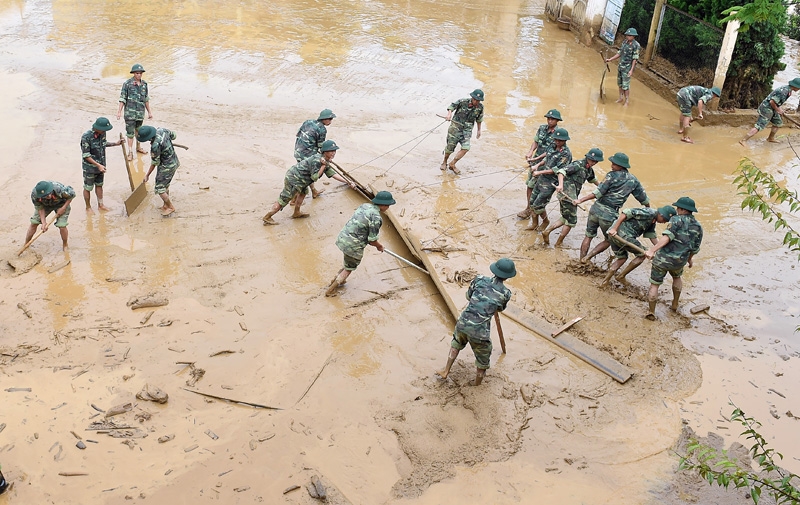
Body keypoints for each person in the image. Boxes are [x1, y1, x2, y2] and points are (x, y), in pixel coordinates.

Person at [435, 258, 516, 386]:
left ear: (494, 270)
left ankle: (446, 371)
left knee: (456, 343)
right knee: (483, 357)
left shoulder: (479, 279)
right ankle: (477, 385)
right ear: (507, 277)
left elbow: (468, 296)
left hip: (463, 322)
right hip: (480, 332)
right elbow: (500, 308)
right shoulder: (505, 293)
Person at [574, 152, 650, 262]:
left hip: (595, 209)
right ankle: (587, 258)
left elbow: (598, 193)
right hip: (609, 214)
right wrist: (649, 210)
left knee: (588, 235)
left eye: (614, 164)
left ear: (620, 166)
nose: (611, 166)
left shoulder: (611, 175)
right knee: (609, 240)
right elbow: (643, 199)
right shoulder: (634, 180)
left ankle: (582, 259)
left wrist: (580, 200)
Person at [262, 140, 354, 225]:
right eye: (331, 151)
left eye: (334, 151)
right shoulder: (318, 161)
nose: (333, 153)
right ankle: (268, 216)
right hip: (294, 179)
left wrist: (348, 181)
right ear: (325, 152)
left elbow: (332, 174)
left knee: (303, 192)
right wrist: (322, 166)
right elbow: (315, 177)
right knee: (284, 199)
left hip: (302, 180)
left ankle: (296, 212)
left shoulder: (324, 160)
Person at [325, 191, 396, 296]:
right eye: (388, 205)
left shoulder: (365, 205)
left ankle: (336, 280)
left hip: (343, 238)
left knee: (348, 263)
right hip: (353, 246)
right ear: (383, 205)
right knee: (349, 268)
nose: (388, 208)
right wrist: (379, 246)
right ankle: (330, 290)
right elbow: (372, 240)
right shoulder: (376, 218)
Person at [644, 197, 703, 320]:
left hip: (663, 259)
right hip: (679, 261)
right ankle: (675, 304)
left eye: (678, 208)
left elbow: (667, 237)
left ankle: (651, 311)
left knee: (655, 285)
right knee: (677, 277)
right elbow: (695, 247)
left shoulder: (675, 220)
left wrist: (652, 250)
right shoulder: (698, 226)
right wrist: (689, 259)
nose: (676, 210)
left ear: (682, 209)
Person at [601, 205, 676, 287]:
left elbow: (651, 235)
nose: (664, 222)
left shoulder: (653, 220)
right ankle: (621, 276)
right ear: (661, 215)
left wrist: (660, 248)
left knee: (622, 258)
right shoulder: (649, 213)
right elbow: (626, 212)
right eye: (664, 219)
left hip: (615, 236)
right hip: (622, 235)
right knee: (642, 255)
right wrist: (614, 229)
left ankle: (604, 282)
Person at [541, 147, 602, 247]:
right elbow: (561, 172)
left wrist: (602, 188)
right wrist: (560, 185)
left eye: (596, 161)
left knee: (566, 217)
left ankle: (547, 231)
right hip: (567, 195)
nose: (593, 162)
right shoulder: (578, 164)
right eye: (592, 160)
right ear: (587, 157)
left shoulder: (589, 169)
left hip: (570, 197)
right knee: (571, 221)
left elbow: (592, 179)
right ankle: (558, 243)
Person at [526, 127, 572, 232]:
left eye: (559, 140)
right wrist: (536, 164)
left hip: (551, 182)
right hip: (541, 178)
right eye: (556, 139)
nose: (557, 142)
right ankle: (534, 224)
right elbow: (547, 158)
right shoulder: (552, 145)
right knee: (532, 202)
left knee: (539, 204)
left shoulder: (566, 154)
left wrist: (539, 172)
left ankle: (546, 221)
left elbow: (556, 170)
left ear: (565, 141)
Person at [519, 109, 563, 219]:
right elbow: (536, 141)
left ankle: (536, 213)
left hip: (546, 164)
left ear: (557, 121)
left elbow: (549, 152)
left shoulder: (559, 134)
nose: (549, 121)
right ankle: (528, 208)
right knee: (529, 185)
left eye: (552, 119)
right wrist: (530, 152)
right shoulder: (542, 128)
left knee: (539, 189)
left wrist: (536, 160)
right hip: (536, 161)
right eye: (548, 118)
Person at [740, 78, 800, 145]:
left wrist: (779, 109)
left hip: (773, 108)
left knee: (778, 123)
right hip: (766, 108)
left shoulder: (788, 90)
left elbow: (777, 102)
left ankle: (770, 138)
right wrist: (778, 110)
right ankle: (743, 140)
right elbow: (772, 101)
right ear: (796, 86)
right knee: (759, 126)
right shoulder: (784, 91)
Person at [137, 125, 180, 216]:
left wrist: (147, 175)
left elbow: (155, 162)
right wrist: (166, 142)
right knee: (165, 184)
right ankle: (165, 205)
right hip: (174, 161)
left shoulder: (155, 146)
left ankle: (170, 206)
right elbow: (174, 136)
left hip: (167, 166)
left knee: (159, 188)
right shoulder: (162, 130)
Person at [80, 117, 122, 212]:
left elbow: (103, 144)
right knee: (88, 187)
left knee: (99, 185)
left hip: (101, 167)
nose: (105, 132)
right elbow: (86, 155)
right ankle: (88, 207)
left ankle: (101, 205)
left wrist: (115, 143)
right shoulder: (86, 137)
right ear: (98, 128)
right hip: (90, 168)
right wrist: (97, 165)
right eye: (103, 130)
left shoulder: (102, 133)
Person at [294, 108, 336, 201]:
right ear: (324, 119)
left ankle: (314, 191)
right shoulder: (322, 129)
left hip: (298, 151)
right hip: (307, 154)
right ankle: (295, 197)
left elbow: (297, 134)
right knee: (309, 175)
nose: (330, 121)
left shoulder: (308, 121)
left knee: (305, 172)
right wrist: (327, 158)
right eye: (330, 119)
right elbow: (321, 147)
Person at [440, 89, 484, 175]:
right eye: (475, 99)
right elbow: (452, 106)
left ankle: (452, 164)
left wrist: (479, 130)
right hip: (455, 128)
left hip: (467, 130)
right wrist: (449, 114)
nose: (476, 102)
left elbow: (479, 119)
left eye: (478, 100)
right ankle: (444, 162)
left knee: (466, 148)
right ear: (472, 98)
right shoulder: (462, 101)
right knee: (450, 148)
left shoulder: (480, 107)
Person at [25, 181, 75, 251]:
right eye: (45, 196)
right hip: (45, 205)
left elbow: (72, 195)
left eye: (48, 194)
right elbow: (40, 208)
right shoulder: (35, 195)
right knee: (34, 223)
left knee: (62, 226)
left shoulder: (59, 189)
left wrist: (63, 208)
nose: (48, 196)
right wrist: (43, 222)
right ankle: (26, 244)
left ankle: (65, 244)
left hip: (61, 204)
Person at [116, 63, 153, 160]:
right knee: (130, 133)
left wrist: (149, 112)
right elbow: (122, 98)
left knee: (139, 131)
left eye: (140, 73)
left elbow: (146, 99)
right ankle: (130, 152)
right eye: (137, 73)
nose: (139, 75)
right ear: (133, 73)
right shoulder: (127, 84)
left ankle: (138, 147)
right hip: (130, 114)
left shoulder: (144, 85)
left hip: (140, 113)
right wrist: (119, 111)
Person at [605, 28, 641, 106]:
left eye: (629, 35)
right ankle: (620, 98)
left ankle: (627, 100)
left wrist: (631, 70)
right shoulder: (625, 42)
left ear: (633, 36)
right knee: (620, 84)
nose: (627, 37)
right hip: (621, 66)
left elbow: (635, 58)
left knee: (626, 86)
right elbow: (619, 53)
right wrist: (610, 59)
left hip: (627, 68)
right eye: (627, 35)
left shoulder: (636, 45)